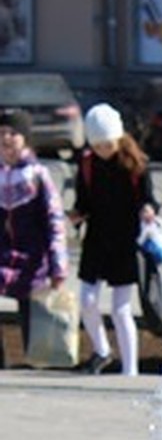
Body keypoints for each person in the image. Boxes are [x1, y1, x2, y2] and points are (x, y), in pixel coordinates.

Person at [70, 103, 158, 375]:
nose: (103, 151)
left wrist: (148, 210)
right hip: (96, 239)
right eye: (97, 146)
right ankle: (102, 351)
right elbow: (83, 202)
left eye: (107, 145)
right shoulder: (87, 164)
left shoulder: (136, 164)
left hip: (125, 242)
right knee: (86, 301)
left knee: (121, 309)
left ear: (118, 138)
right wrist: (76, 215)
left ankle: (130, 371)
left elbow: (149, 199)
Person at [0, 107, 68, 367]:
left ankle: (34, 361)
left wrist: (58, 265)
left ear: (25, 138)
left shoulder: (38, 174)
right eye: (2, 132)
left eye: (13, 133)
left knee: (31, 311)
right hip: (1, 254)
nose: (6, 139)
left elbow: (54, 221)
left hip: (31, 257)